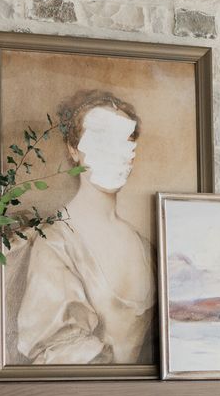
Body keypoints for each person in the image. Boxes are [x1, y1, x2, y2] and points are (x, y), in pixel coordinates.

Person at [14, 90, 155, 366]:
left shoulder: (146, 246)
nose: (118, 152)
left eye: (126, 140)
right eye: (103, 139)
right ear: (73, 149)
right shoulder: (55, 242)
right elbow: (56, 350)